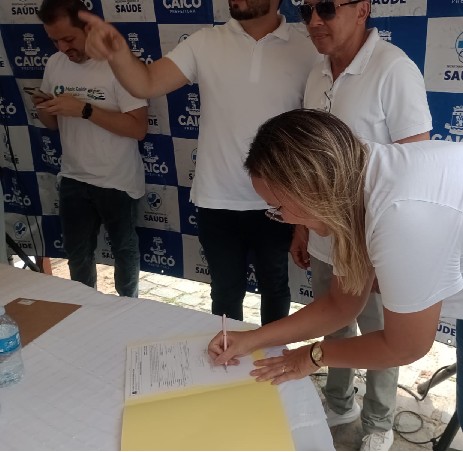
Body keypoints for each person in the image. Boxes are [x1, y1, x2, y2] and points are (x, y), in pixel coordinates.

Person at [209, 109, 463, 451]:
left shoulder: (403, 214)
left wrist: (311, 357)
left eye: (278, 207)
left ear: (312, 191)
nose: (282, 218)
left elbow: (405, 345)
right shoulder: (346, 183)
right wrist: (252, 339)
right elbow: (341, 305)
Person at [80, 0, 318, 325]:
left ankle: (272, 357)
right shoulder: (205, 42)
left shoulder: (307, 49)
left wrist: (303, 219)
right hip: (216, 200)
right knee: (225, 293)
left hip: (279, 203)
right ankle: (227, 355)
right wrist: (118, 52)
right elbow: (146, 83)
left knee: (275, 288)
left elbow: (313, 139)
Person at [292, 0, 432, 448]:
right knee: (334, 323)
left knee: (379, 335)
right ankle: (338, 402)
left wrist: (386, 251)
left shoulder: (394, 69)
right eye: (305, 10)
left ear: (362, 9)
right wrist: (300, 227)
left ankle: (378, 423)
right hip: (324, 234)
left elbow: (417, 168)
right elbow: (310, 164)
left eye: (326, 7)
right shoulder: (316, 73)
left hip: (375, 241)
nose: (315, 20)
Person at [35, 0, 148, 297]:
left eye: (68, 39)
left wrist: (84, 109)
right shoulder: (54, 63)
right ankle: (83, 310)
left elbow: (138, 128)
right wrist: (45, 107)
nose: (62, 48)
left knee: (124, 253)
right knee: (77, 256)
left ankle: (129, 308)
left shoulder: (118, 65)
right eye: (54, 41)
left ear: (88, 28)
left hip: (117, 180)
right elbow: (51, 124)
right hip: (73, 176)